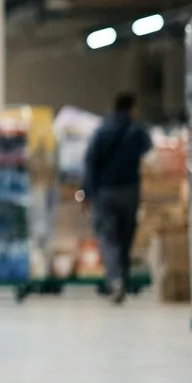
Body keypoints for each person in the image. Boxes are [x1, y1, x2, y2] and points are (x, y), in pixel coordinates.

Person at [83, 91, 155, 303]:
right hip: (130, 190)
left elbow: (90, 162)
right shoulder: (137, 130)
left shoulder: (102, 130)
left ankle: (115, 280)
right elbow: (149, 151)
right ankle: (123, 278)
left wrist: (86, 192)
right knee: (126, 236)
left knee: (108, 237)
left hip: (105, 192)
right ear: (132, 108)